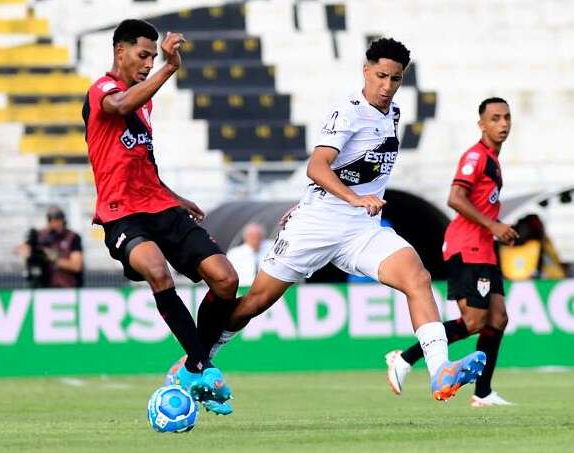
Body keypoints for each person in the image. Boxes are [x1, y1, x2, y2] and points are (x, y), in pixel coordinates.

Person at [208, 38, 487, 402]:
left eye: (396, 79)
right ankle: (198, 359)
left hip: (360, 229)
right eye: (381, 76)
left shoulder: (394, 114)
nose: (387, 86)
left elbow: (354, 166)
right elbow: (317, 165)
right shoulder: (348, 111)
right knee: (255, 303)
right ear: (366, 71)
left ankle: (440, 372)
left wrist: (345, 201)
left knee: (417, 276)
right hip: (318, 224)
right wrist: (349, 199)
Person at [83, 18, 239, 415]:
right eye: (143, 55)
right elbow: (120, 105)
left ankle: (191, 366)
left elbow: (141, 163)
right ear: (120, 51)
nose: (149, 63)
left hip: (161, 205)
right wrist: (171, 67)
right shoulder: (103, 90)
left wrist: (175, 197)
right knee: (156, 269)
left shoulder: (145, 101)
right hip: (122, 214)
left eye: (154, 57)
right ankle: (204, 365)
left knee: (225, 279)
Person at [386, 97, 517, 406]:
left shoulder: (492, 159)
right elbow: (455, 198)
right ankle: (404, 359)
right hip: (466, 246)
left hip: (483, 248)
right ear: (481, 124)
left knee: (497, 319)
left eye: (507, 118)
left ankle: (483, 392)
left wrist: (497, 228)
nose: (503, 124)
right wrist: (494, 225)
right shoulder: (476, 157)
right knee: (473, 321)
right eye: (495, 118)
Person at [17, 207, 84, 288]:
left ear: (63, 220)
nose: (55, 224)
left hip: (67, 287)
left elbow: (77, 266)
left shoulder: (73, 237)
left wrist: (54, 259)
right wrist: (33, 252)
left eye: (57, 220)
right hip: (44, 286)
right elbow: (21, 249)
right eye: (52, 220)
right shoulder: (40, 235)